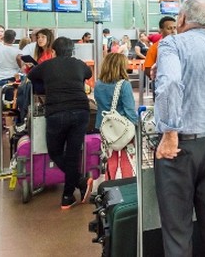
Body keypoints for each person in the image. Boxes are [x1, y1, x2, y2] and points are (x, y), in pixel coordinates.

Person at [154, 0, 205, 256]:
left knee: (178, 225)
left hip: (182, 146)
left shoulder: (171, 44)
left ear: (182, 19)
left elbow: (171, 85)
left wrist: (169, 132)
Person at [27, 37, 93, 209]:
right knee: (73, 154)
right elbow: (88, 74)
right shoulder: (79, 64)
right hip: (81, 110)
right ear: (72, 51)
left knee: (55, 152)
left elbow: (31, 75)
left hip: (57, 112)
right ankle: (67, 196)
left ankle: (79, 182)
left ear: (54, 52)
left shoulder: (47, 65)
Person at [94, 53, 138, 180]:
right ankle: (127, 186)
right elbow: (129, 110)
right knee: (127, 158)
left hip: (105, 126)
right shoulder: (124, 85)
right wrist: (136, 126)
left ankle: (109, 186)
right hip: (123, 128)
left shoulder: (98, 84)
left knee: (110, 157)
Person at [144, 16, 176, 80]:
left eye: (175, 28)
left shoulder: (181, 45)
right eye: (169, 28)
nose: (173, 31)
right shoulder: (154, 48)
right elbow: (148, 69)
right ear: (161, 30)